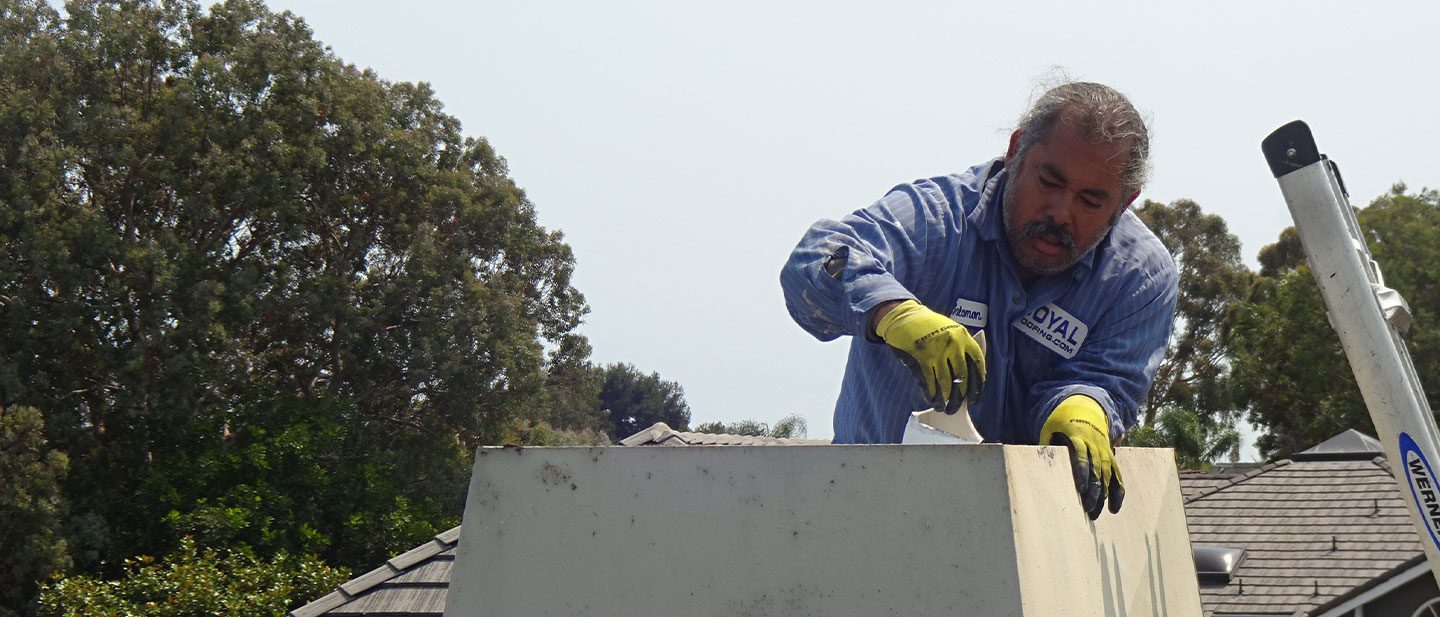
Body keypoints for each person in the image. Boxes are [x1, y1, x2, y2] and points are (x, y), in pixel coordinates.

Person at [779, 82, 1178, 520]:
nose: (1061, 213)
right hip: (867, 515)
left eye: (1091, 200)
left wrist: (1084, 406)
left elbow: (1108, 379)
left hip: (1022, 538)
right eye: (1049, 181)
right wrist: (893, 312)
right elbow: (814, 260)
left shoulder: (1140, 279)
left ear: (1124, 203)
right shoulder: (933, 221)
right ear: (1015, 151)